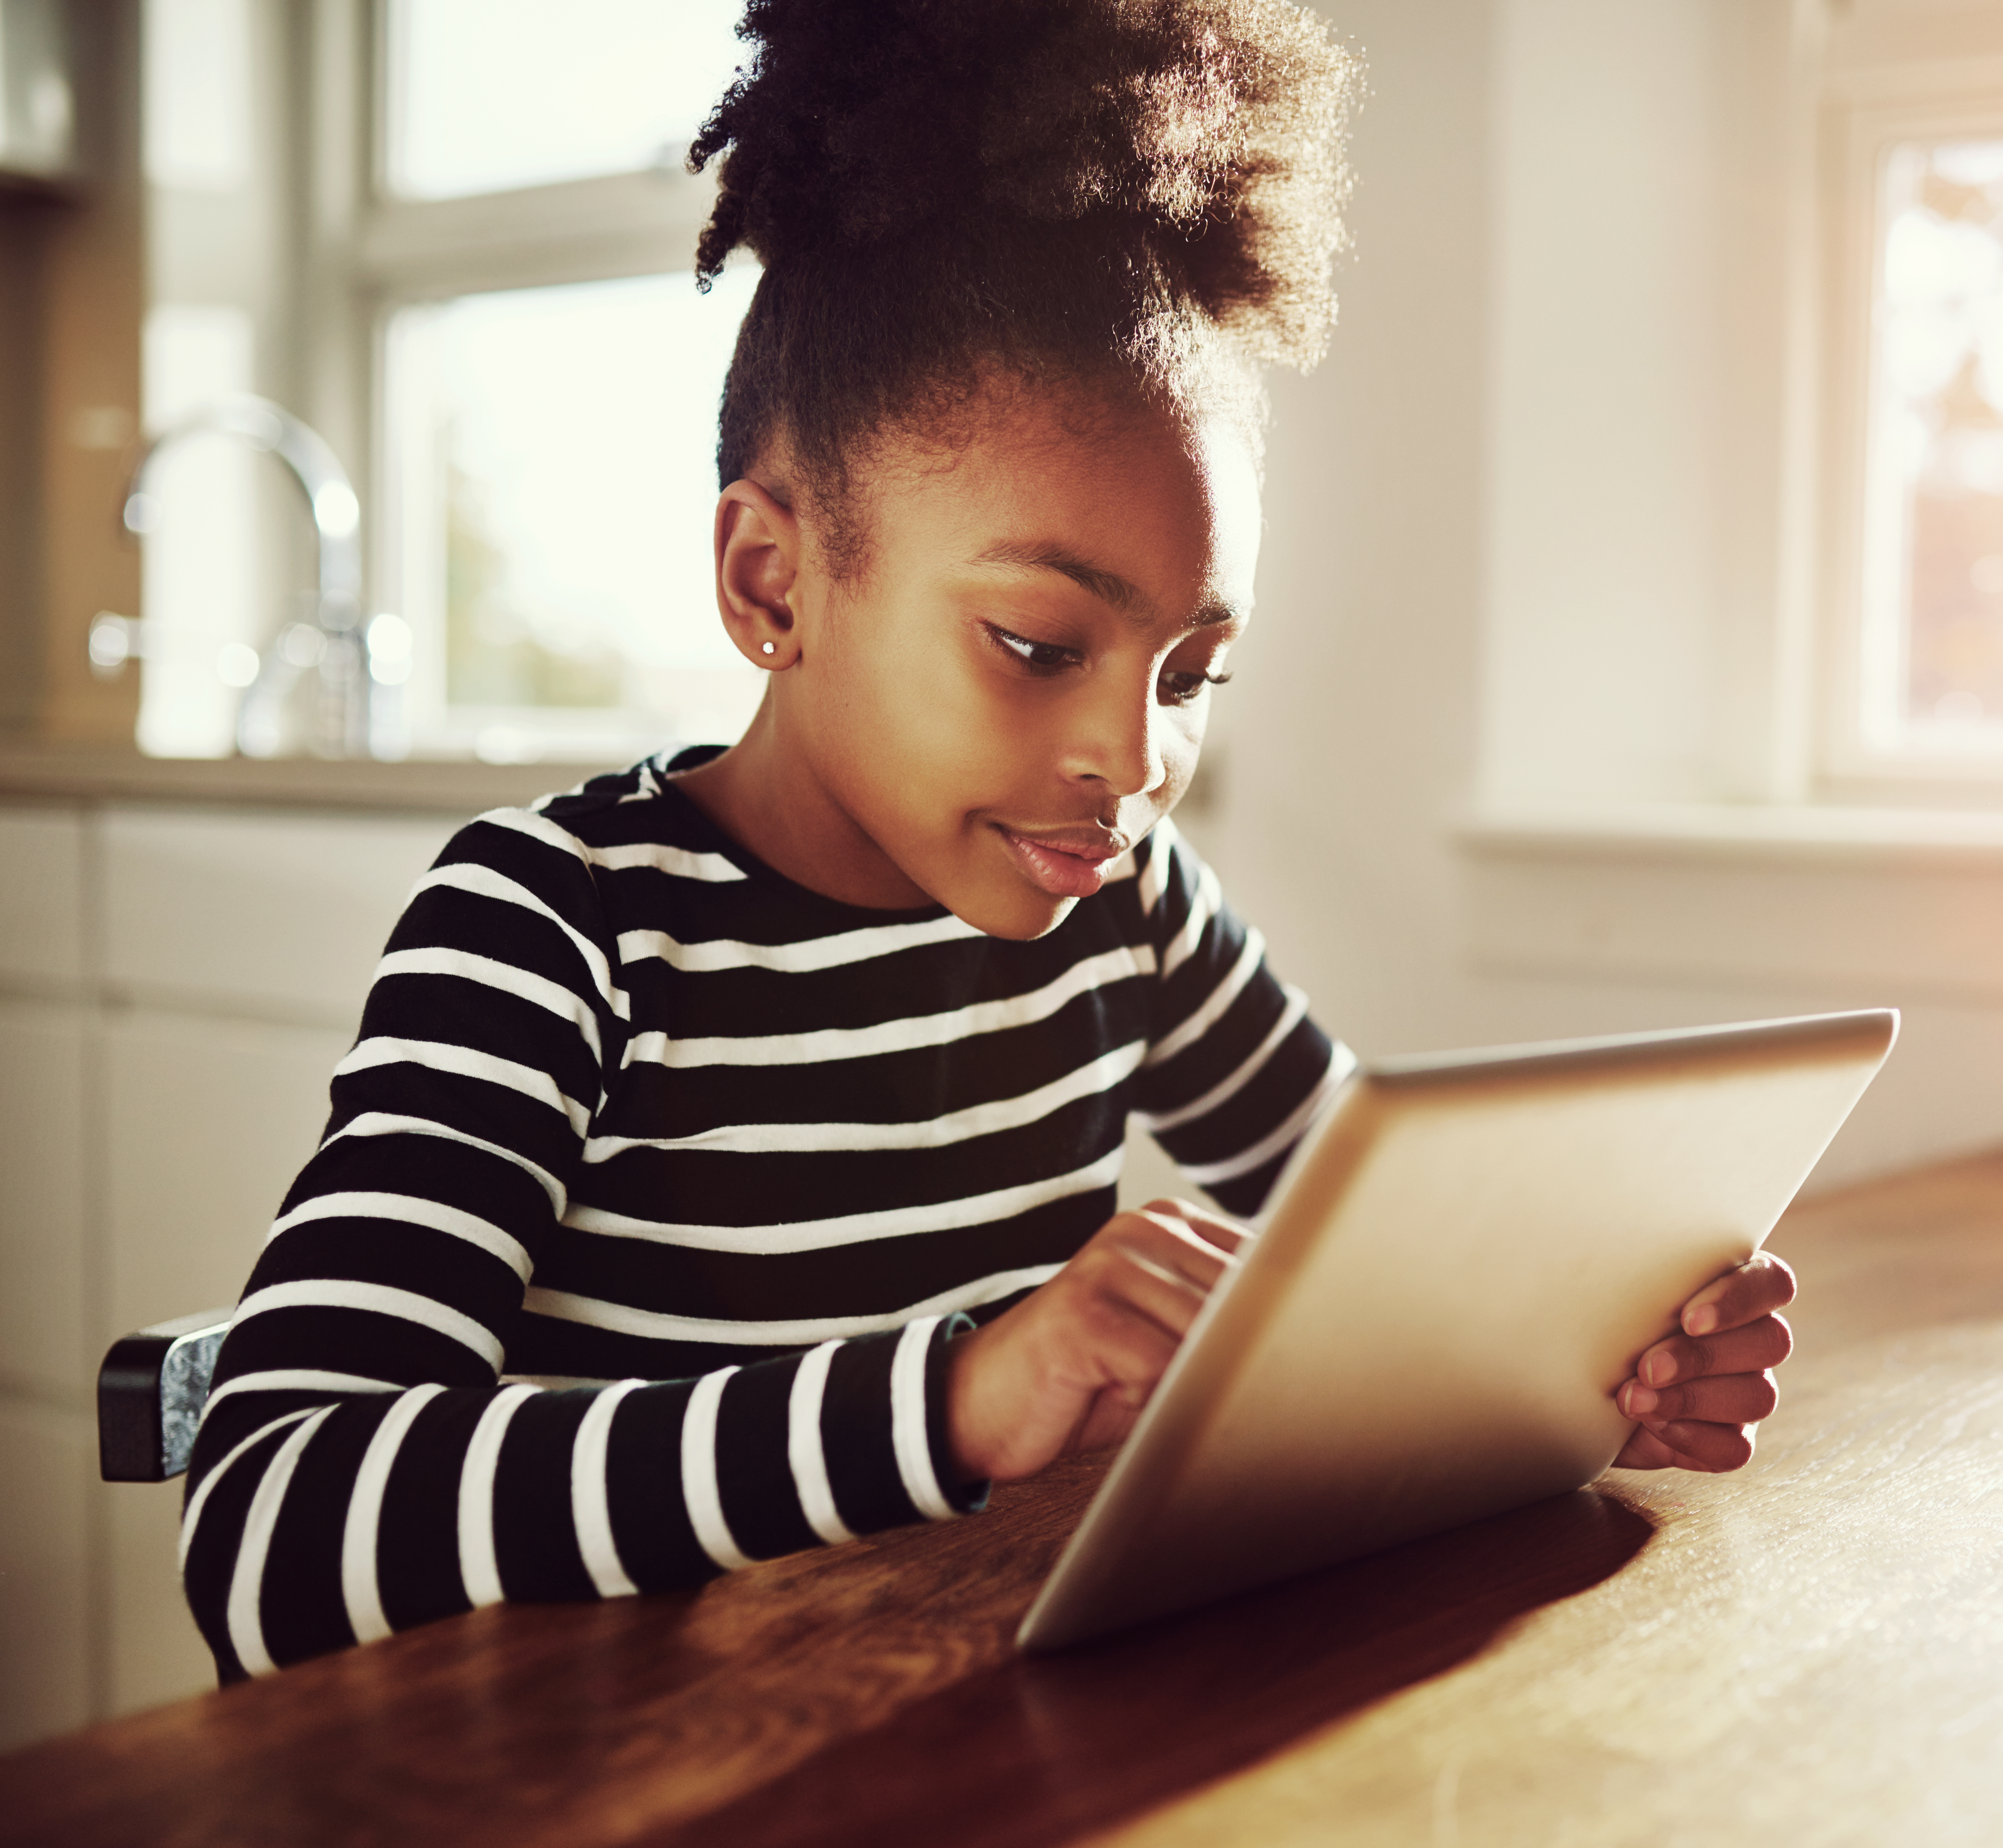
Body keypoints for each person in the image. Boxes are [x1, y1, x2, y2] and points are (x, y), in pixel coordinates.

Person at [179, 0, 1796, 1685]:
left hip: (957, 1759)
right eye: (1040, 646)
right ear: (772, 582)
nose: (1135, 755)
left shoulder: (1130, 911)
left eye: (1195, 673)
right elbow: (268, 1536)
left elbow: (1372, 1268)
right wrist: (956, 1399)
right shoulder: (560, 929)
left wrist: (1580, 1353)